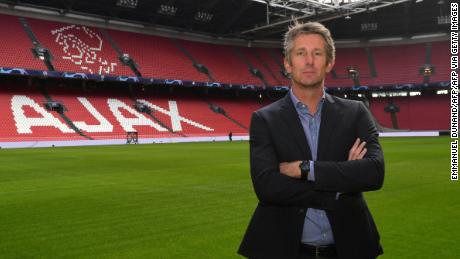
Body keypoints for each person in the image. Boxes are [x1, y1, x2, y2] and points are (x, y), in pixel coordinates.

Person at [238, 21, 385, 259]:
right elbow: (267, 188)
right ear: (287, 62)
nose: (309, 61)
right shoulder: (264, 119)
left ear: (330, 62)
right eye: (300, 53)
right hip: (284, 249)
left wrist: (306, 169)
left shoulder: (356, 112)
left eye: (317, 53)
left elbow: (374, 173)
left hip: (350, 247)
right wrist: (340, 185)